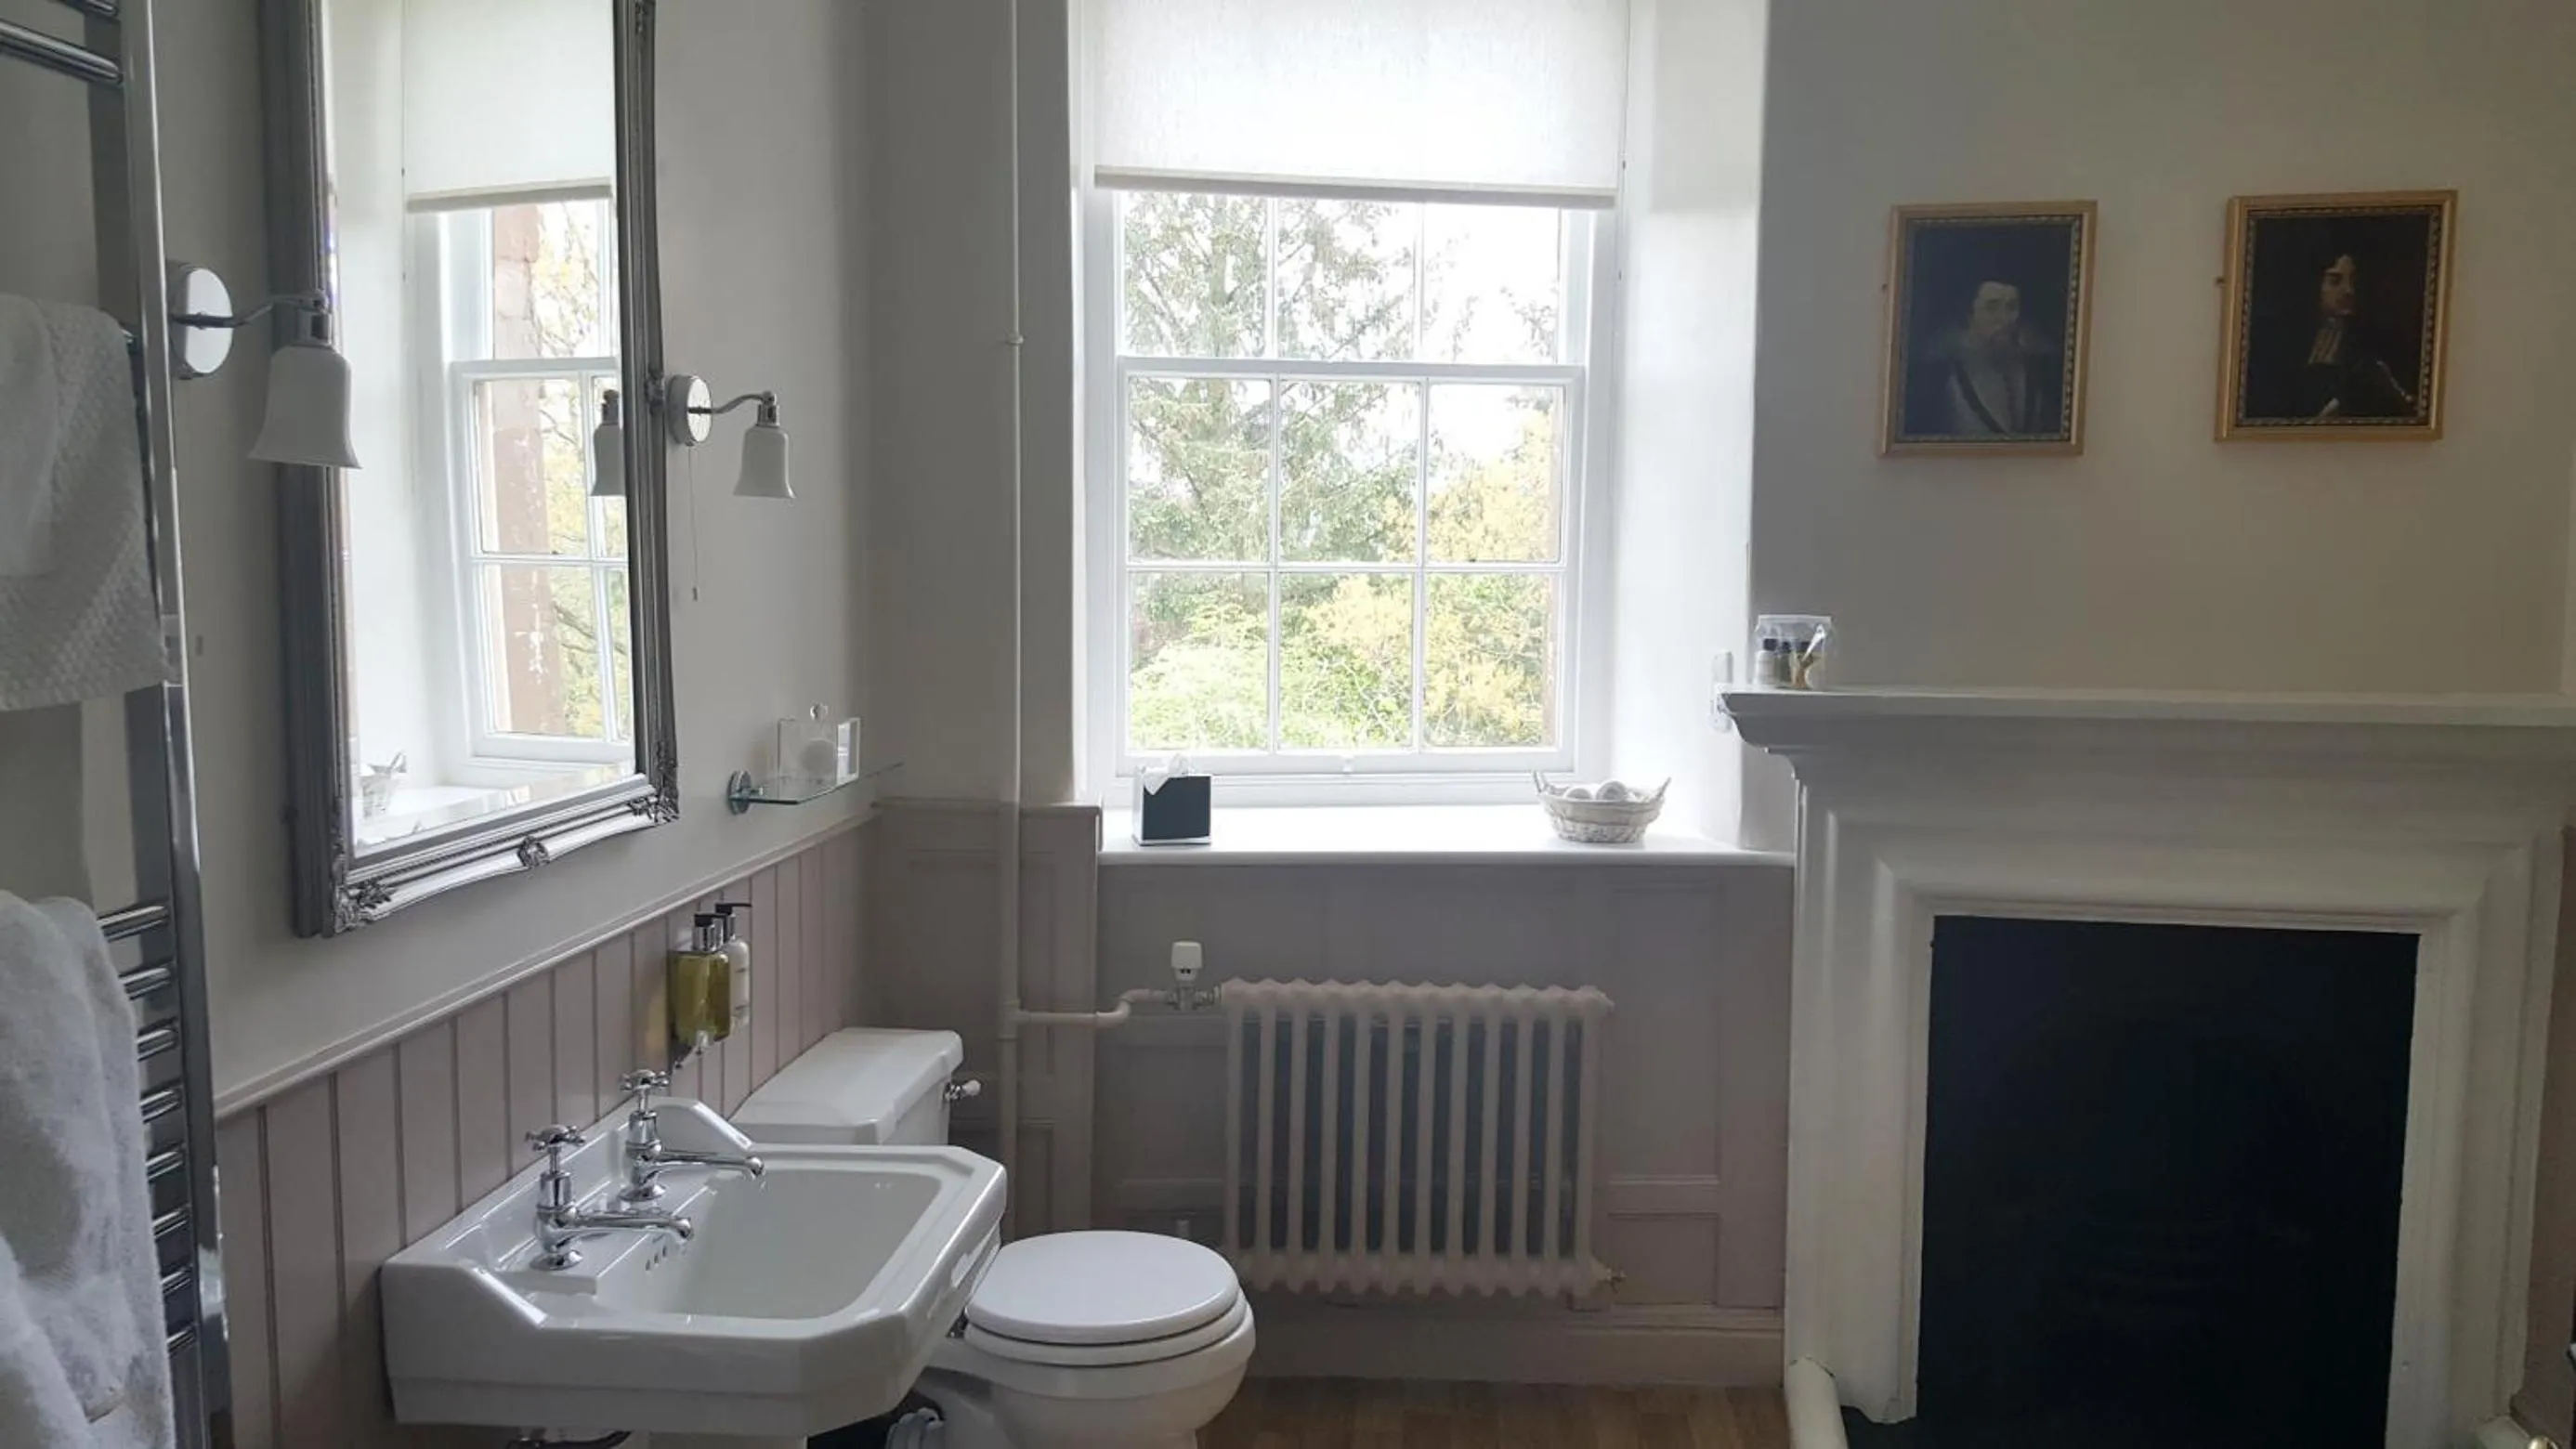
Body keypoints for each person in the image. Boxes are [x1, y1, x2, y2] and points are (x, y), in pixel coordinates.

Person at [2245, 248, 2415, 421]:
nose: (2349, 291)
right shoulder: (2279, 341)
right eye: (2335, 281)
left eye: (2354, 281)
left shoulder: (2375, 344)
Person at [1905, 278, 2065, 438]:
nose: (2005, 319)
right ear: (1968, 314)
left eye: (2011, 307)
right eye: (1992, 307)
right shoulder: (1939, 372)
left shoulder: (2037, 367)